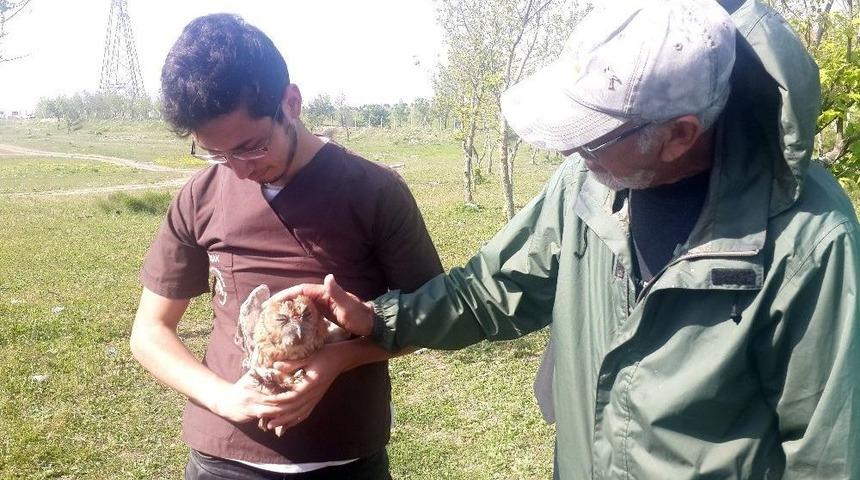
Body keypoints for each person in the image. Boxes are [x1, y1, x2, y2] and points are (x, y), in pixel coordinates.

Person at [284, 0, 860, 478]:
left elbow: (828, 452)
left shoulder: (809, 240)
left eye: (593, 136)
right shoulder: (585, 186)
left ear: (681, 134)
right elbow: (493, 290)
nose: (570, 151)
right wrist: (382, 319)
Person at [129, 14, 442, 479]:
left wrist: (338, 358)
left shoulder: (373, 191)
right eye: (217, 153)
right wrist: (223, 397)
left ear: (290, 102)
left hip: (343, 457)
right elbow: (150, 332)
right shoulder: (201, 195)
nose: (237, 170)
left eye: (251, 147)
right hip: (224, 462)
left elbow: (430, 318)